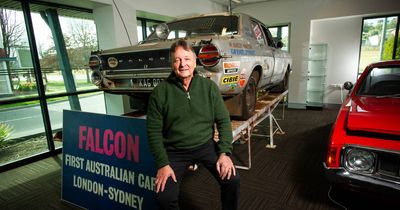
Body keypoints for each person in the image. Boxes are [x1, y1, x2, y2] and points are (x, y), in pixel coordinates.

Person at [146, 39, 240, 210]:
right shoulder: (160, 93)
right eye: (177, 60)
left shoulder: (209, 88)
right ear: (172, 64)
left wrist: (224, 152)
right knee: (164, 198)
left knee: (232, 180)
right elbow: (153, 133)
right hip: (175, 151)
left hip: (205, 145)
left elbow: (224, 121)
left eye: (187, 59)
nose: (183, 64)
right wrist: (163, 164)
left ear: (195, 62)